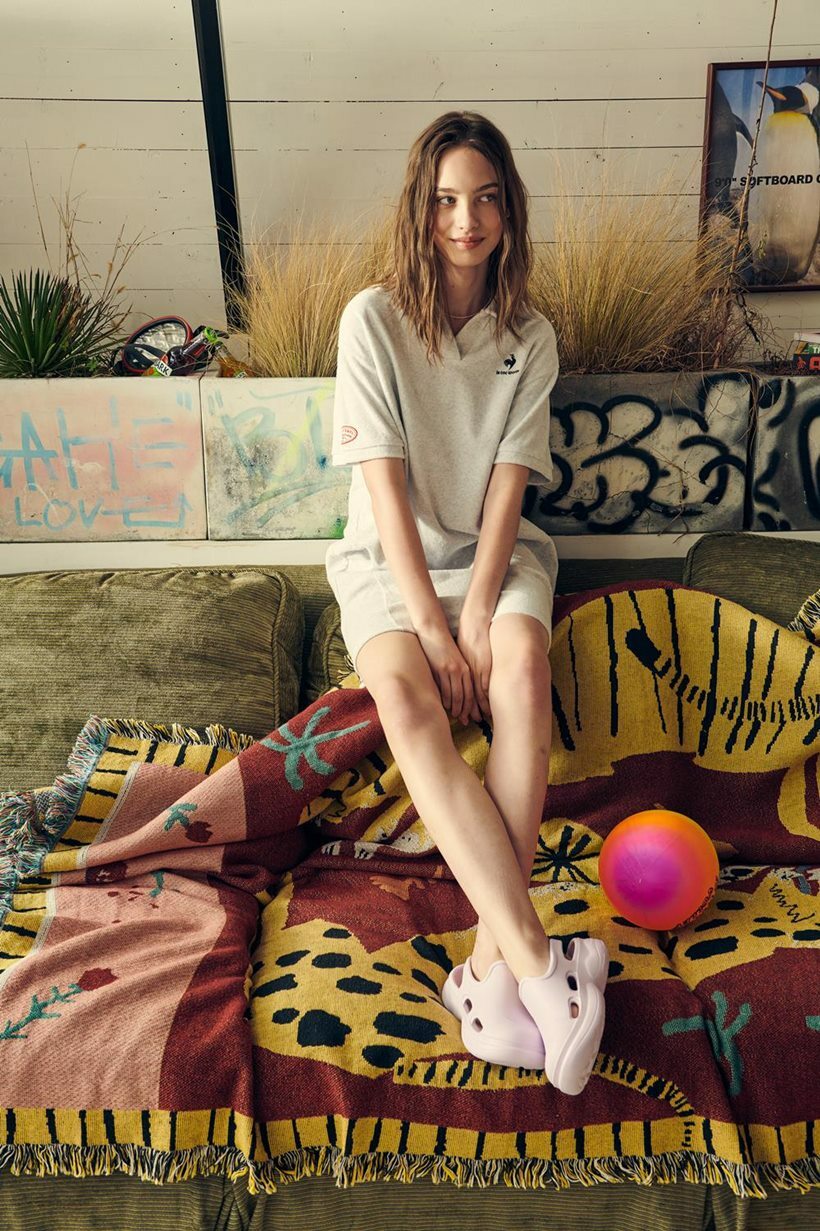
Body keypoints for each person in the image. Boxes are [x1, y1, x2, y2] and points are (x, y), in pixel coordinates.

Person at [325, 111, 608, 1096]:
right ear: (421, 209)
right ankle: (538, 964)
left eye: (485, 198)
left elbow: (507, 489)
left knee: (522, 673)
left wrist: (480, 614)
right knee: (409, 705)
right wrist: (436, 634)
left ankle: (485, 976)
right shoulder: (371, 319)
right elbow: (384, 493)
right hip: (388, 560)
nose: (465, 219)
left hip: (495, 555)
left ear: (507, 210)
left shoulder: (530, 337)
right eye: (446, 199)